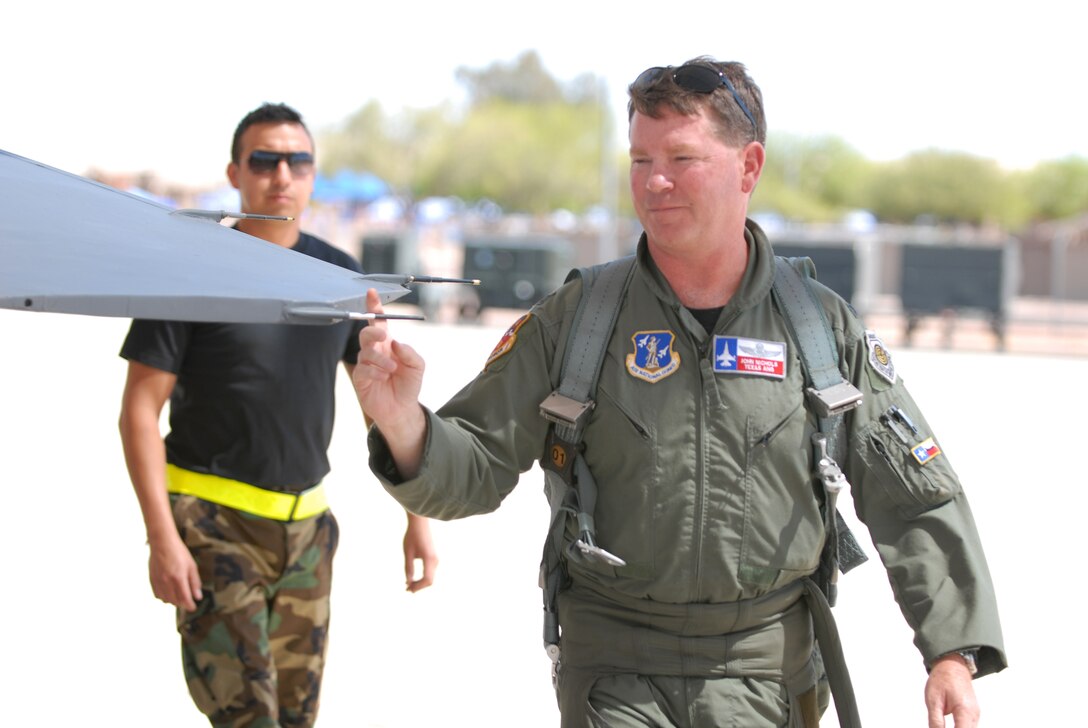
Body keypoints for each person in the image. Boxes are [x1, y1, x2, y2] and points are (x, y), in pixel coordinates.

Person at [350, 57, 1006, 728]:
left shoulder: (819, 327)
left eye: (681, 158)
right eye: (639, 160)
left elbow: (915, 495)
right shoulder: (577, 319)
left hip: (770, 677)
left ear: (748, 167)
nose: (655, 181)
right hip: (617, 673)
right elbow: (477, 463)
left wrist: (951, 651)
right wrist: (405, 425)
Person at [118, 102, 438, 728]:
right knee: (249, 719)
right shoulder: (187, 270)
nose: (281, 175)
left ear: (314, 174)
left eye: (297, 161)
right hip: (213, 529)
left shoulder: (338, 275)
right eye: (263, 160)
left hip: (308, 537)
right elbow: (138, 411)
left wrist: (417, 516)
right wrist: (162, 536)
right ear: (235, 173)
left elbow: (382, 407)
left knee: (295, 719)